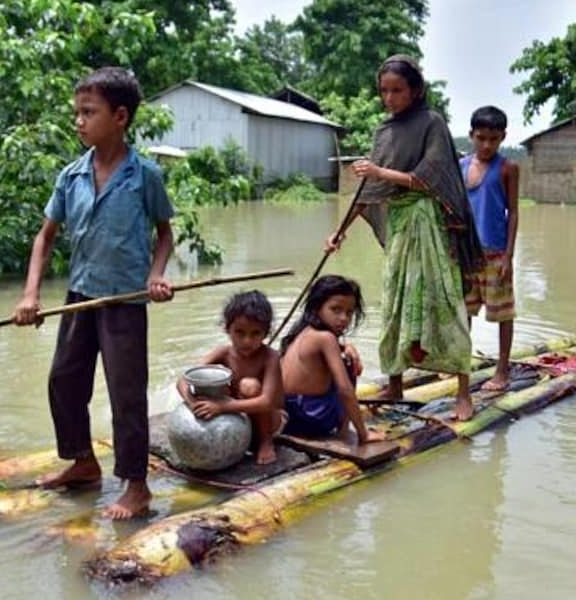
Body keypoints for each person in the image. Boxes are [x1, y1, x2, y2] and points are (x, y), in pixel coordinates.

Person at [12, 67, 175, 520]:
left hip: (124, 302)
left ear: (120, 117)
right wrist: (30, 296)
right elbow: (44, 237)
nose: (79, 122)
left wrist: (156, 276)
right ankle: (83, 463)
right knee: (64, 381)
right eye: (77, 113)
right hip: (81, 297)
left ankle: (136, 486)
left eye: (89, 112)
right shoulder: (71, 176)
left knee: (126, 393)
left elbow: (164, 234)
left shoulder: (145, 176)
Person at [327, 55, 484, 421]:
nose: (389, 97)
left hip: (427, 224)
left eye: (397, 90)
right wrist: (339, 232)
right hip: (399, 227)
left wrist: (380, 169)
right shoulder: (384, 132)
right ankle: (395, 383)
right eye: (384, 91)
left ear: (415, 90)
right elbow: (369, 190)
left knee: (443, 301)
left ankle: (463, 391)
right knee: (395, 301)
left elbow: (431, 176)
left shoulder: (433, 123)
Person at [176, 291, 285, 465]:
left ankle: (265, 442)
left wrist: (223, 406)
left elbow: (267, 401)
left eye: (255, 334)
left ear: (266, 333)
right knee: (213, 384)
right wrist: (193, 403)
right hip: (239, 414)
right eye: (239, 333)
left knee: (249, 386)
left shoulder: (270, 357)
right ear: (228, 329)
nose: (247, 341)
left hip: (270, 420)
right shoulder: (224, 353)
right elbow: (184, 380)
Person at [279, 275, 386, 445]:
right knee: (347, 364)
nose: (344, 318)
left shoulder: (302, 332)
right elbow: (344, 389)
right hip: (310, 419)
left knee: (345, 356)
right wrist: (363, 434)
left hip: (286, 416)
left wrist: (345, 347)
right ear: (317, 308)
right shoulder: (326, 338)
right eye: (336, 310)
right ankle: (345, 430)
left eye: (349, 312)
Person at [461, 106, 519, 391]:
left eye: (493, 139)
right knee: (464, 314)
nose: (486, 145)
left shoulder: (508, 168)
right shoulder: (460, 167)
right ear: (471, 135)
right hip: (466, 255)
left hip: (496, 253)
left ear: (502, 138)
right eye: (481, 138)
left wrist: (509, 255)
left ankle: (502, 370)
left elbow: (514, 213)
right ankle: (461, 368)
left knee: (502, 314)